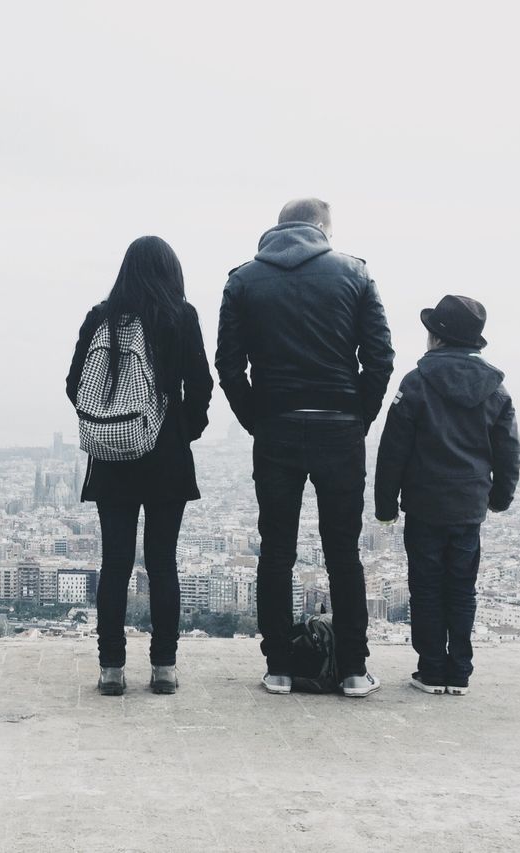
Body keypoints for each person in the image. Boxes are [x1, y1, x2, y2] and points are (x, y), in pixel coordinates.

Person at [216, 198, 394, 698]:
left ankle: (278, 668)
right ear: (322, 228)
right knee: (344, 553)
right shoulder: (355, 274)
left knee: (275, 552)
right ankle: (355, 670)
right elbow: (380, 356)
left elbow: (229, 364)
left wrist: (257, 418)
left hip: (276, 426)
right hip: (340, 427)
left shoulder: (244, 280)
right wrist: (358, 415)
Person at [66, 235, 213, 696]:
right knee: (162, 563)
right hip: (166, 458)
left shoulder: (100, 318)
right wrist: (178, 429)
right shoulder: (180, 317)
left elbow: (75, 385)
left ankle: (111, 667)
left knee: (115, 563)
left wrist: (112, 424)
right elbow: (202, 386)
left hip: (111, 461)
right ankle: (164, 667)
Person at [374, 294, 520, 696]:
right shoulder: (495, 388)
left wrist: (385, 505)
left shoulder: (417, 382)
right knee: (461, 589)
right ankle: (459, 672)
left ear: (436, 337)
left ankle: (431, 669)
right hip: (468, 507)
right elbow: (508, 449)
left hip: (424, 504)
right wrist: (500, 497)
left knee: (425, 588)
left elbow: (393, 449)